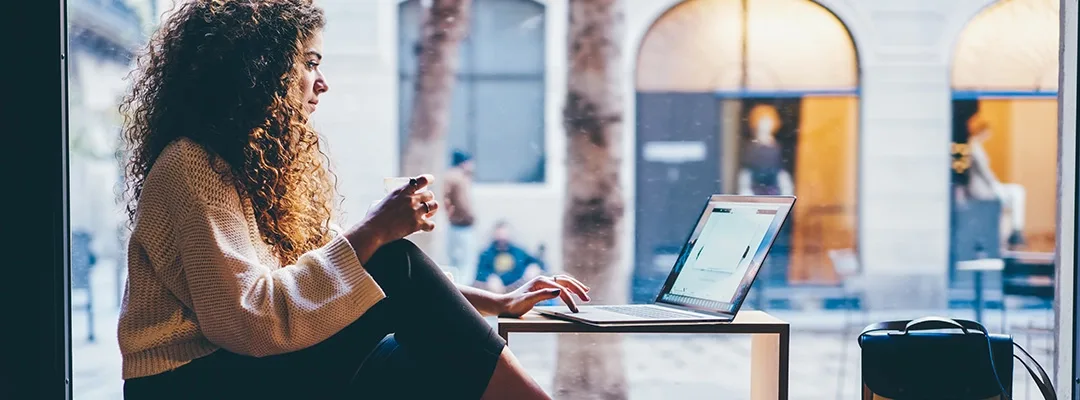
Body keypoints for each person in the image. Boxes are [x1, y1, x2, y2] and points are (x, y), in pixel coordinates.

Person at [115, 1, 590, 399]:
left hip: (235, 368)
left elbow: (350, 280)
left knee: (427, 355)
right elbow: (248, 320)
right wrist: (376, 230)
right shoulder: (191, 165)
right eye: (310, 63)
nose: (322, 83)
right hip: (186, 383)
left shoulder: (249, 170)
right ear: (259, 70)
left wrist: (497, 301)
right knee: (392, 262)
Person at [961, 113, 1026, 247]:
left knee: (1014, 196)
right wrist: (997, 187)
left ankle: (1015, 230)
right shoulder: (974, 148)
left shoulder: (975, 146)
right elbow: (986, 174)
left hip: (984, 187)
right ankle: (1016, 231)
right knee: (1017, 193)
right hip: (981, 190)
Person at [737, 104, 794, 196]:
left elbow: (782, 171)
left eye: (768, 121)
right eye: (762, 121)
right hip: (755, 190)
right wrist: (745, 189)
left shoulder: (778, 147)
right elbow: (746, 172)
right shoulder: (750, 147)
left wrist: (786, 188)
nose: (765, 125)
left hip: (775, 191)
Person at [475, 221, 545, 294]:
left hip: (519, 291)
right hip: (495, 294)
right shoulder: (486, 254)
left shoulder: (518, 252)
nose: (502, 237)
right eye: (499, 234)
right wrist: (488, 278)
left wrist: (533, 267)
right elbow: (478, 272)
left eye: (504, 233)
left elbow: (536, 263)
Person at [444, 149, 478, 285]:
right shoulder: (458, 178)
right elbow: (463, 205)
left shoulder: (451, 177)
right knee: (464, 264)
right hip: (461, 225)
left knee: (456, 263)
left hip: (455, 225)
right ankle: (463, 293)